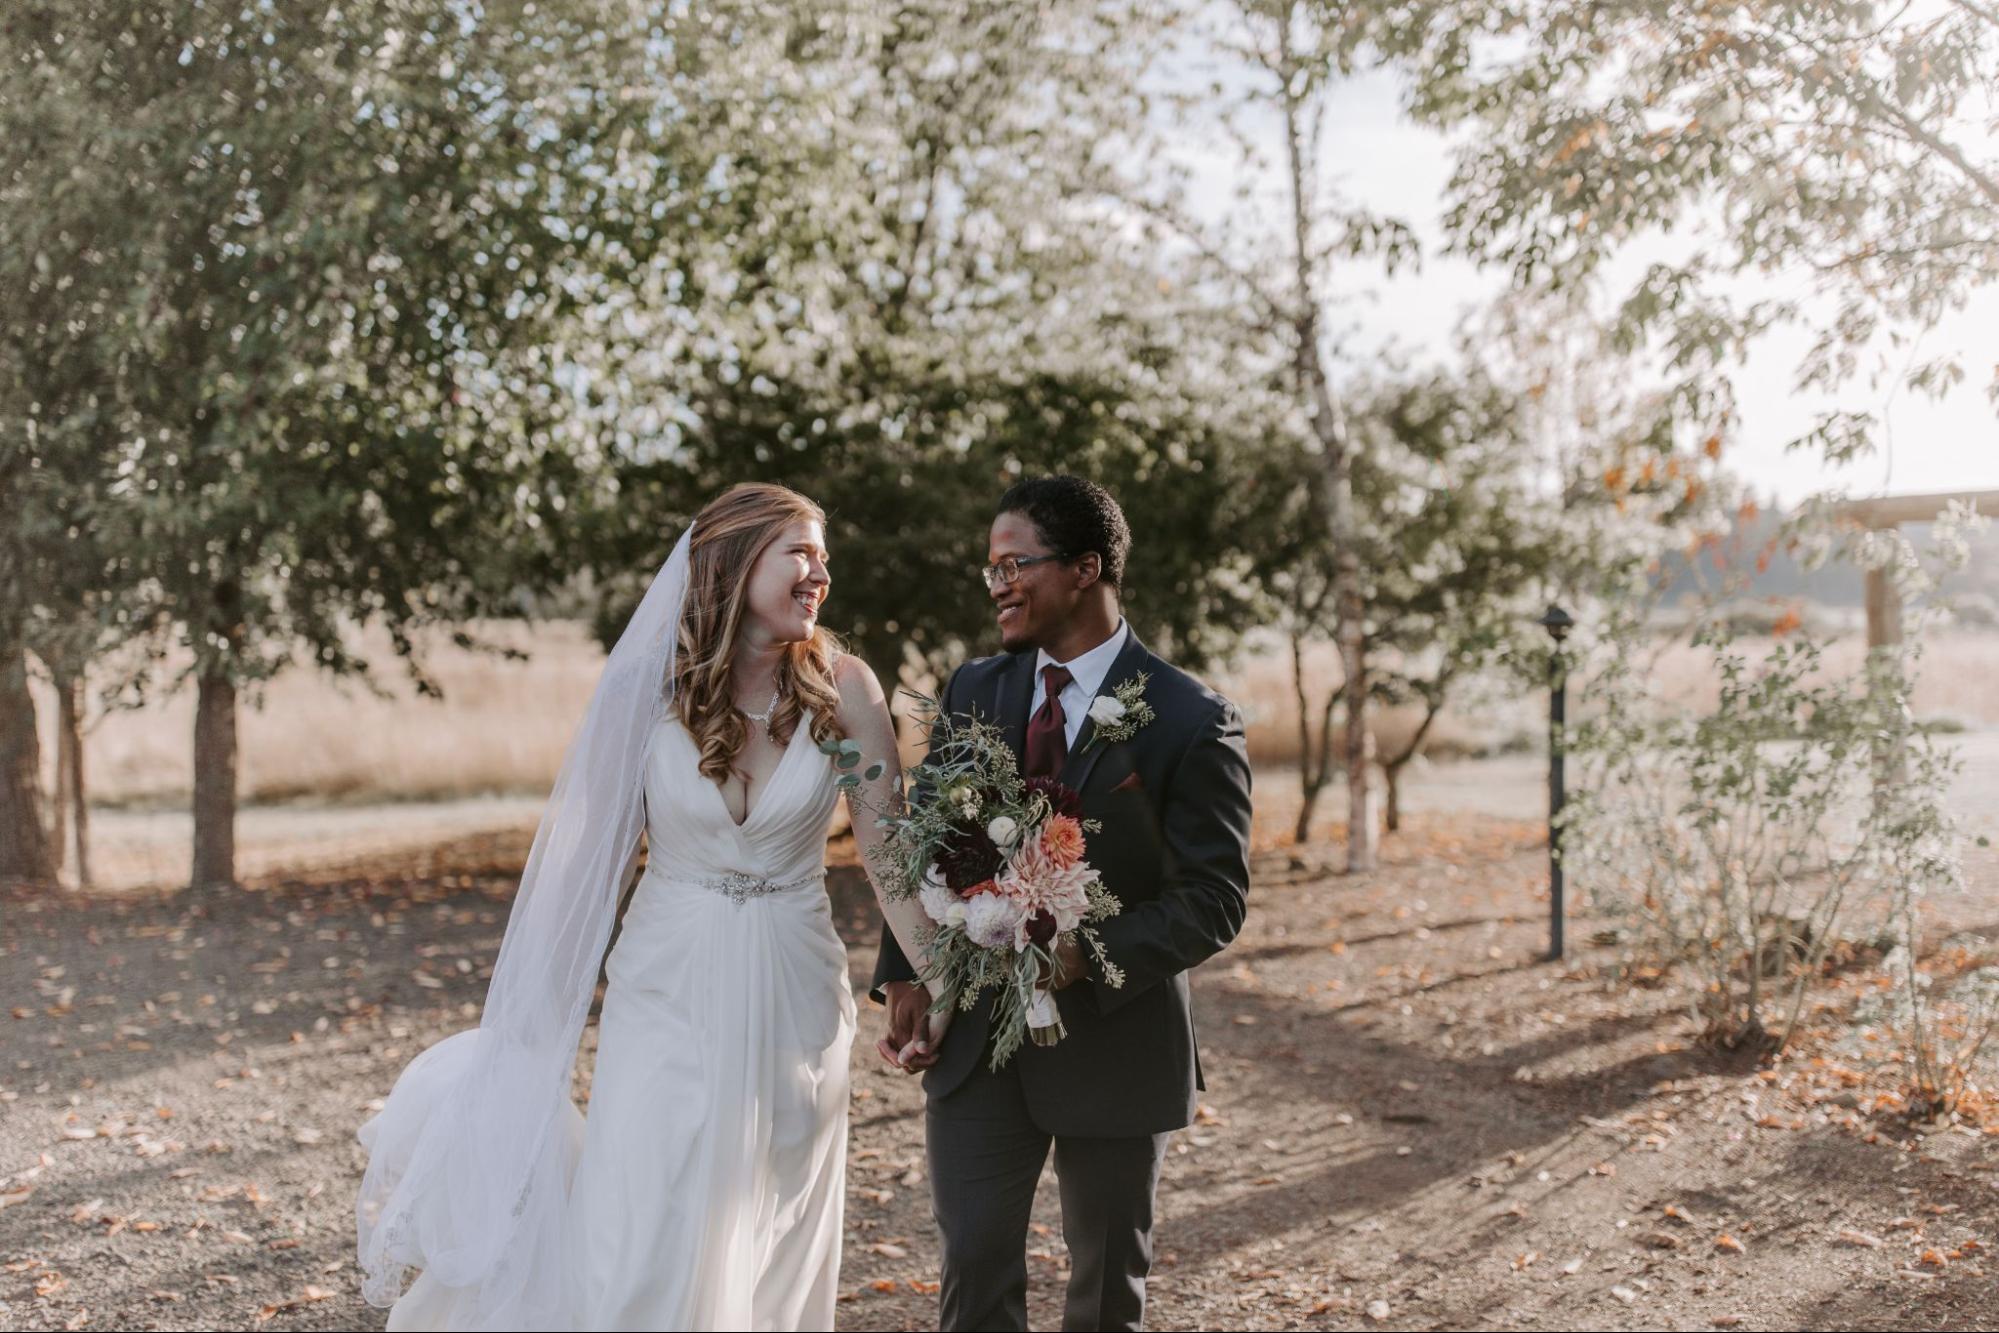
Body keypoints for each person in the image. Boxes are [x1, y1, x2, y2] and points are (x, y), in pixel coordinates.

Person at [355, 482, 942, 1330]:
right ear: (737, 561)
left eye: (825, 559)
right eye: (800, 553)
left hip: (797, 984)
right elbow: (585, 867)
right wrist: (537, 1022)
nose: (819, 574)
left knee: (778, 1205)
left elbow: (890, 850)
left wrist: (938, 975)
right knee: (647, 1206)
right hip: (665, 979)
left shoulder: (845, 690)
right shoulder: (649, 690)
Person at [873, 475, 1254, 1333]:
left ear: (1086, 568)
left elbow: (1215, 897)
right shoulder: (974, 687)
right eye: (990, 569)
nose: (998, 583)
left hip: (1115, 1043)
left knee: (1103, 1290)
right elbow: (925, 841)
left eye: (1015, 564)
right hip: (975, 1037)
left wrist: (1085, 952)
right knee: (971, 1265)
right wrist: (905, 972)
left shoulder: (1190, 717)